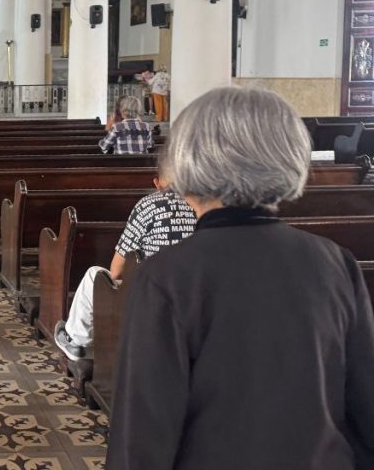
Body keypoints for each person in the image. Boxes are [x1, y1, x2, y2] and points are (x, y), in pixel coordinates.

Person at [106, 86, 374, 470]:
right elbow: (365, 412)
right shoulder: (335, 262)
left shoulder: (168, 275)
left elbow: (142, 437)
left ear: (188, 164)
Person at [53, 150, 196, 360]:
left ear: (157, 183)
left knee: (95, 276)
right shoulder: (202, 206)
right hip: (192, 299)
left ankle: (75, 341)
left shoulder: (148, 205)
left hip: (151, 300)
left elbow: (116, 270)